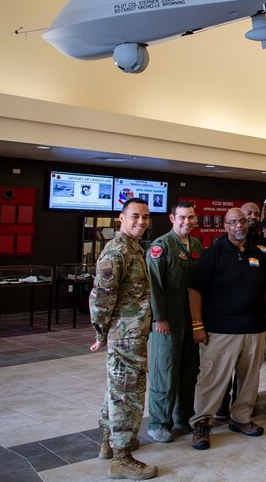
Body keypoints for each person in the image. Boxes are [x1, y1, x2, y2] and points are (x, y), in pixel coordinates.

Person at [188, 207, 266, 450]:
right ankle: (202, 423)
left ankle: (241, 418)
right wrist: (198, 325)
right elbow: (195, 290)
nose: (239, 226)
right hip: (220, 331)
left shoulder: (258, 253)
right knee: (212, 379)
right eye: (233, 222)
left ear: (249, 225)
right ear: (225, 226)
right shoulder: (213, 253)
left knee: (249, 380)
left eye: (243, 221)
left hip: (254, 330)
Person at [88, 197, 156, 480]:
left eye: (145, 217)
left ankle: (108, 442)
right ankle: (122, 458)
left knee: (117, 390)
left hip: (133, 333)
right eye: (135, 216)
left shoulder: (133, 248)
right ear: (122, 217)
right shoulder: (116, 251)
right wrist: (101, 332)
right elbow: (100, 296)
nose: (141, 221)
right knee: (128, 394)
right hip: (125, 337)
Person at [145, 202, 203, 443]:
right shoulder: (161, 246)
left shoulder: (197, 245)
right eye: (181, 217)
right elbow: (153, 285)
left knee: (189, 370)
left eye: (190, 218)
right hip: (168, 317)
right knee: (165, 371)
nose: (186, 222)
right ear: (172, 218)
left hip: (191, 316)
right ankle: (159, 422)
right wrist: (159, 317)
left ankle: (183, 416)